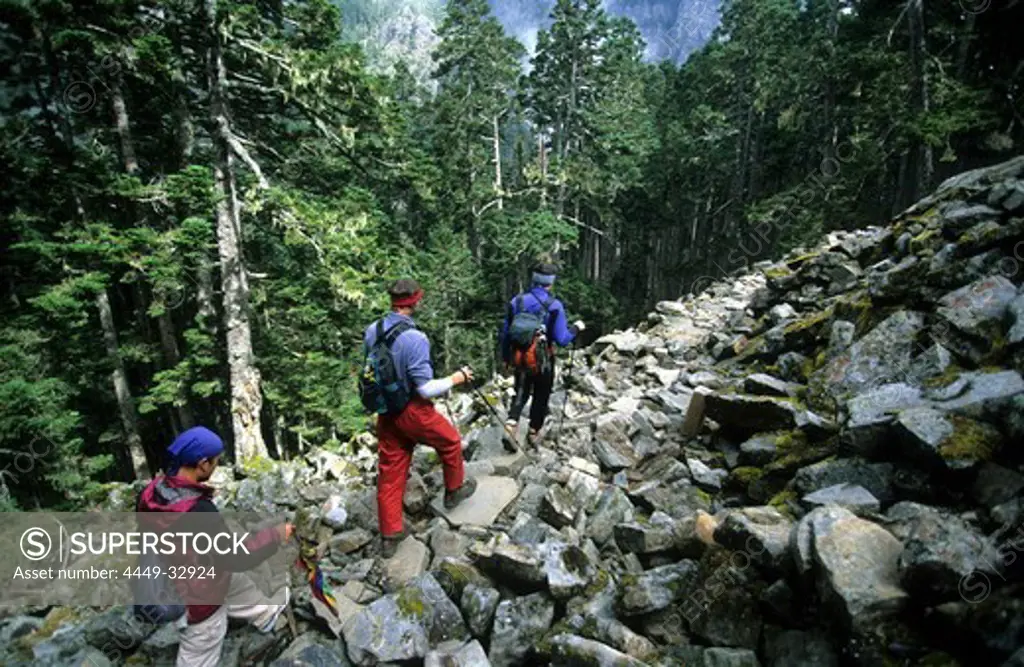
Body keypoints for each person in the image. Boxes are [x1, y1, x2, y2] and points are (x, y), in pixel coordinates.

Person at [137, 426, 293, 667]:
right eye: (215, 462)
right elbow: (236, 557)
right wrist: (275, 535)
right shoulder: (197, 510)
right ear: (202, 464)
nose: (216, 467)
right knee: (203, 643)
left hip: (173, 573)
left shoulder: (152, 492)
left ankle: (264, 613)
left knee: (234, 580)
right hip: (194, 600)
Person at [363, 279, 478, 558]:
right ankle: (454, 491)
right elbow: (425, 388)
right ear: (415, 302)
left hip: (386, 410)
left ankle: (390, 535)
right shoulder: (416, 338)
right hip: (413, 410)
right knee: (450, 441)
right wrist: (457, 378)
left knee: (390, 471)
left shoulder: (372, 330)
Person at [499, 263, 584, 448]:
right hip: (543, 359)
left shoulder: (517, 302)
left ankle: (511, 424)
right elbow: (562, 339)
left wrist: (506, 358)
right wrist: (576, 328)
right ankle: (533, 432)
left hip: (520, 356)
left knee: (520, 391)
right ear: (550, 283)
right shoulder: (554, 306)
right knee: (541, 394)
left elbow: (505, 334)